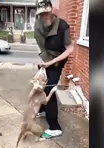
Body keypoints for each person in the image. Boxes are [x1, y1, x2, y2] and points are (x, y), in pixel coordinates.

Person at [34, 0, 74, 139]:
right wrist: (41, 59)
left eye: (46, 13)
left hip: (58, 59)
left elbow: (70, 49)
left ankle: (55, 127)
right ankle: (43, 109)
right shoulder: (38, 24)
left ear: (51, 11)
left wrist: (51, 62)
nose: (44, 16)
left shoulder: (63, 26)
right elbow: (39, 44)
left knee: (49, 89)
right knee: (40, 85)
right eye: (41, 14)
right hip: (45, 58)